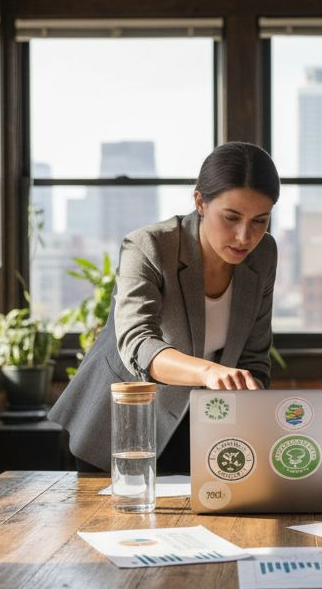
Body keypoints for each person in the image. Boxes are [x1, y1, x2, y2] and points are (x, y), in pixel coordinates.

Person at [48, 142, 279, 472]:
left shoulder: (264, 254)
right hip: (123, 425)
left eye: (260, 220)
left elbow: (255, 355)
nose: (244, 236)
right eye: (230, 218)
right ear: (200, 201)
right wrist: (207, 371)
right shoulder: (150, 246)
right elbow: (138, 343)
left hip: (205, 430)